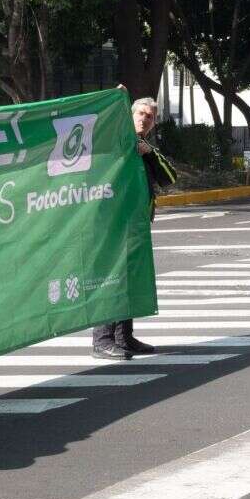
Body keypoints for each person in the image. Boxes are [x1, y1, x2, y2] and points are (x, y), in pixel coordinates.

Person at [91, 95, 176, 360]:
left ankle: (123, 337)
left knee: (129, 280)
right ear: (128, 115)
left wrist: (150, 154)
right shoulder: (112, 142)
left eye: (149, 117)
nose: (144, 119)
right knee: (111, 279)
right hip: (110, 226)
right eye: (140, 113)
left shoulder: (145, 147)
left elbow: (170, 178)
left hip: (135, 226)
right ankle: (102, 339)